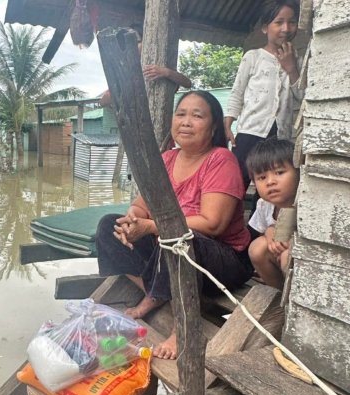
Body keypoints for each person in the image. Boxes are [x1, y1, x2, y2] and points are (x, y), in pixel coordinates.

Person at [95, 91, 253, 359]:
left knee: (179, 238)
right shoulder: (167, 159)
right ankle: (156, 293)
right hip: (169, 253)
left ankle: (183, 328)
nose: (186, 121)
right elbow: (140, 206)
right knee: (109, 225)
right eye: (180, 114)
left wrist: (150, 227)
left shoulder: (221, 160)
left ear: (214, 127)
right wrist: (132, 219)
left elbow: (212, 224)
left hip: (221, 261)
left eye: (197, 116)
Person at [224, 0, 304, 190]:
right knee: (236, 182)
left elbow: (301, 97)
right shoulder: (253, 57)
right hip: (250, 132)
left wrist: (291, 69)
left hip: (281, 136)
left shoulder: (298, 61)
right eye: (279, 22)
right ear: (265, 28)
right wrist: (228, 122)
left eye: (292, 22)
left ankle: (260, 212)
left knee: (272, 186)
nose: (286, 28)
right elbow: (238, 91)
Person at [246, 139, 299, 290]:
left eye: (279, 172)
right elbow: (262, 234)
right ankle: (279, 293)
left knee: (287, 257)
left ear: (298, 173)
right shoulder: (264, 205)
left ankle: (297, 300)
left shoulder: (305, 204)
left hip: (305, 262)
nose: (270, 182)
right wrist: (270, 232)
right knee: (257, 248)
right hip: (280, 261)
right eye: (262, 177)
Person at [99, 26, 191, 107]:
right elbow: (103, 102)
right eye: (127, 45)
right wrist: (123, 87)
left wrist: (166, 72)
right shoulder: (126, 72)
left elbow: (187, 83)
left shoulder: (159, 66)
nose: (133, 47)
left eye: (137, 42)